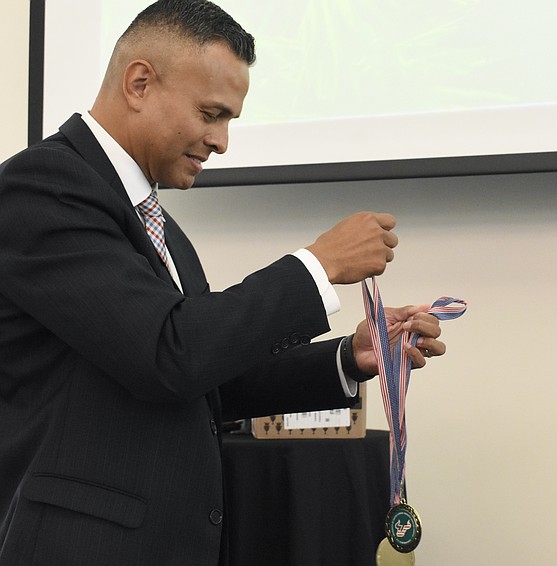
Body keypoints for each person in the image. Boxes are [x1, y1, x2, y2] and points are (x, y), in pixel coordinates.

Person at [0, 1, 446, 565]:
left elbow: (207, 378)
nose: (222, 141)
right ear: (139, 83)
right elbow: (170, 353)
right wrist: (318, 265)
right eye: (212, 113)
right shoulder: (43, 187)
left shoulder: (155, 223)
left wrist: (351, 357)